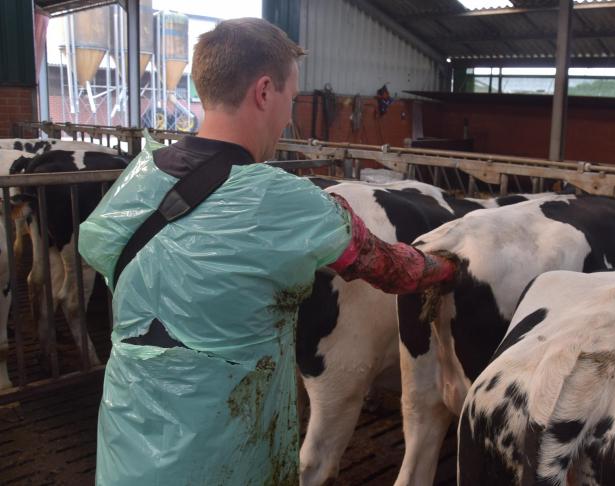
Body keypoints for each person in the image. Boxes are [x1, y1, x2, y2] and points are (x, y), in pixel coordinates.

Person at [78, 17, 456, 485]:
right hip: (224, 450)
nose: (288, 115)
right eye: (290, 100)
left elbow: (97, 248)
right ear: (263, 92)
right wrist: (449, 264)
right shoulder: (285, 202)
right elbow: (393, 270)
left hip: (128, 432)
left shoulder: (138, 177)